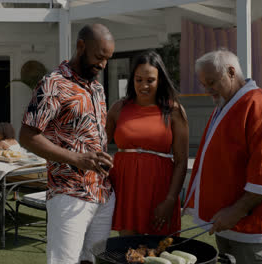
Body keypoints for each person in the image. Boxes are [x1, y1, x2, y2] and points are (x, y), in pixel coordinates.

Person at [19, 24, 115, 264]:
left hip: (102, 193)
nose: (103, 65)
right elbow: (27, 135)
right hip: (68, 193)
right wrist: (77, 159)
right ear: (80, 46)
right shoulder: (53, 84)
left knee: (92, 260)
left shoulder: (97, 88)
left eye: (107, 59)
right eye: (99, 57)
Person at [185, 49, 262, 264]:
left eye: (211, 82)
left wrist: (236, 210)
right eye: (204, 84)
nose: (207, 90)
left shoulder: (261, 104)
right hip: (228, 225)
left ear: (231, 72)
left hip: (253, 229)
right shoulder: (226, 104)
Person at [106, 50, 189, 236]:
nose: (144, 85)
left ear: (160, 80)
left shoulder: (174, 111)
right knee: (128, 251)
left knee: (160, 251)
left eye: (150, 80)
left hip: (161, 191)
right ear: (132, 80)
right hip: (126, 190)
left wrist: (170, 200)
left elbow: (181, 161)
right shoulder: (118, 108)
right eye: (138, 79)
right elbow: (98, 148)